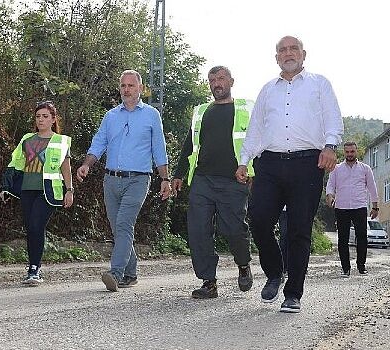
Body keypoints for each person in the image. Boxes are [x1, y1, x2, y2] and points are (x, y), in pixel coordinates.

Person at [237, 35, 343, 313]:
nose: (288, 53)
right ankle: (275, 272)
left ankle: (293, 293)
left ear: (303, 54)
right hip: (269, 164)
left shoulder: (320, 84)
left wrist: (330, 145)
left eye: (292, 48)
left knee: (298, 230)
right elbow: (256, 129)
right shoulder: (267, 90)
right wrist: (243, 160)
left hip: (307, 163)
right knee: (259, 220)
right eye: (282, 50)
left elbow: (333, 117)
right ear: (276, 58)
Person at [76, 69, 171, 292]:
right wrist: (86, 165)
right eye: (123, 86)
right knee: (118, 229)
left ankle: (116, 273)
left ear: (140, 88)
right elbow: (99, 142)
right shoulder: (111, 116)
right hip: (111, 179)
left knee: (123, 224)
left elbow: (159, 148)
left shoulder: (151, 115)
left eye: (131, 86)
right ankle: (131, 273)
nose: (126, 90)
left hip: (138, 180)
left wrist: (165, 178)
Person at [171, 65, 254, 299]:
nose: (217, 83)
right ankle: (209, 282)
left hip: (234, 181)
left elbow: (258, 142)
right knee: (198, 231)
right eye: (212, 80)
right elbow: (189, 144)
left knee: (234, 229)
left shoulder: (245, 109)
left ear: (231, 81)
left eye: (221, 78)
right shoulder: (202, 112)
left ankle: (243, 263)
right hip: (202, 180)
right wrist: (179, 174)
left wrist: (257, 173)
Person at [0, 101, 74, 286]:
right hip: (27, 189)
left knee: (35, 225)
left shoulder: (60, 141)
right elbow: (15, 163)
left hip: (48, 191)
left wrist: (69, 190)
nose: (41, 120)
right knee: (31, 228)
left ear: (53, 119)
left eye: (45, 116)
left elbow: (66, 167)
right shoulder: (27, 139)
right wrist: (6, 187)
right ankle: (33, 267)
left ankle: (35, 269)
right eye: (38, 116)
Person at [325, 141, 379, 277]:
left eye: (352, 151)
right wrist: (330, 196)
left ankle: (361, 266)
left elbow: (372, 188)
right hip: (341, 207)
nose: (350, 154)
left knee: (362, 237)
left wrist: (375, 206)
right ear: (344, 152)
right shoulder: (336, 169)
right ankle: (345, 268)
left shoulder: (365, 169)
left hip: (359, 206)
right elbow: (330, 186)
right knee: (343, 239)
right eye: (347, 152)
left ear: (356, 152)